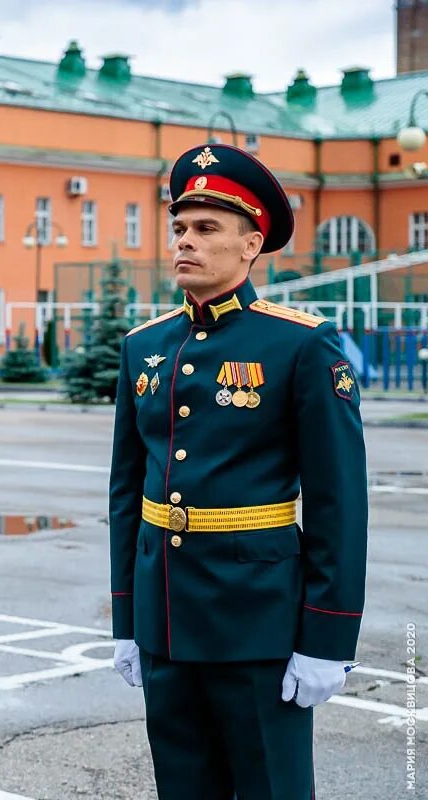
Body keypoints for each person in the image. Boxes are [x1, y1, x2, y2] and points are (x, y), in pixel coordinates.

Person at [108, 143, 367, 799]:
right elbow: (125, 496)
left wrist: (327, 636)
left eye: (205, 229)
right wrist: (126, 623)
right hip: (165, 619)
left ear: (251, 244)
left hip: (258, 627)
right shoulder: (145, 347)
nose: (184, 243)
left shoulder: (301, 344)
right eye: (179, 228)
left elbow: (339, 501)